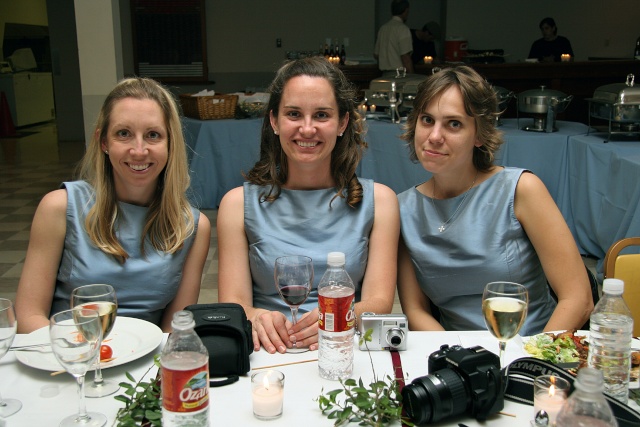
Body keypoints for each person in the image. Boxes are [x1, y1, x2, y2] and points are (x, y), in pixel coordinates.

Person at [217, 57, 399, 354]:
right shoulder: (237, 205)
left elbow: (379, 302)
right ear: (274, 121)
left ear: (342, 123)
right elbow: (234, 304)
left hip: (343, 348)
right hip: (269, 351)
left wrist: (338, 316)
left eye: (322, 115)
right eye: (293, 114)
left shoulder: (380, 202)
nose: (307, 128)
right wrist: (257, 317)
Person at [396, 65, 592, 336]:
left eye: (454, 124)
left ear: (479, 134)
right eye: (427, 120)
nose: (435, 136)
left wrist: (534, 356)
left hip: (534, 348)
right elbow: (415, 310)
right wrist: (458, 355)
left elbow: (578, 298)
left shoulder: (521, 189)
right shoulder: (402, 209)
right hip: (457, 354)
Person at [15, 77, 211, 333]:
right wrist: (86, 353)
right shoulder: (59, 208)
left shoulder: (192, 226)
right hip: (69, 353)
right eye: (123, 134)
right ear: (103, 142)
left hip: (145, 358)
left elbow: (173, 331)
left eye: (153, 135)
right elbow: (28, 317)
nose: (139, 150)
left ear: (171, 143)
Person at [374, 0, 414, 74]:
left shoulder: (383, 28)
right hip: (399, 74)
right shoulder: (403, 29)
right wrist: (411, 75)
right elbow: (405, 57)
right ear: (406, 11)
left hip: (384, 74)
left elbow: (376, 54)